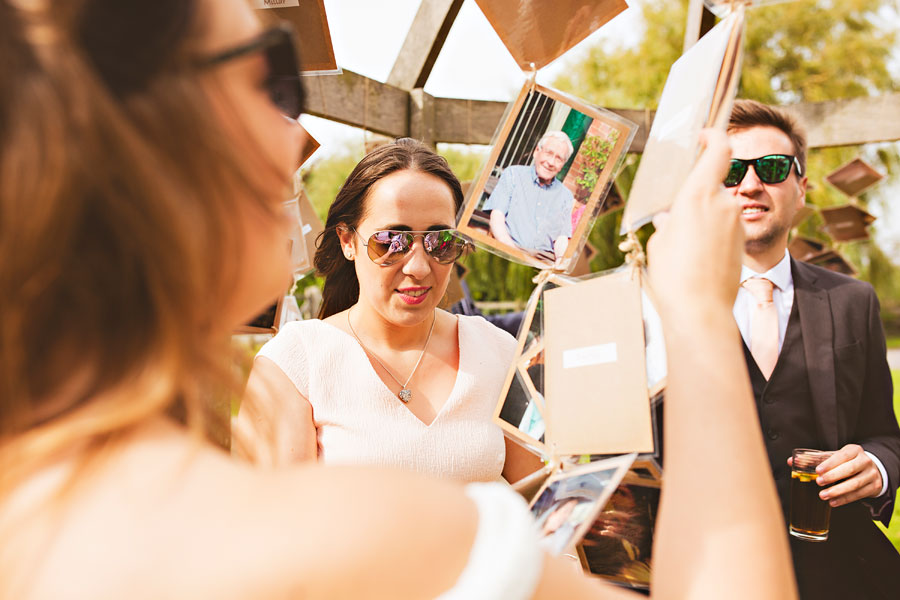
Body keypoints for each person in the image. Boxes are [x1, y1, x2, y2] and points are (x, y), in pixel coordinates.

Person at [0, 0, 797, 595]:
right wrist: (695, 315)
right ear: (145, 138)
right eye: (266, 73)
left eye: (440, 241)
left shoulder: (33, 514)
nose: (291, 133)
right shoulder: (373, 522)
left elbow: (546, 477)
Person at [233, 138, 542, 483]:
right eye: (392, 241)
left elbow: (543, 506)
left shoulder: (499, 352)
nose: (420, 267)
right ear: (348, 241)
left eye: (440, 241)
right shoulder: (295, 362)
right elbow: (272, 522)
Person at [725, 99, 900, 599]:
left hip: (838, 571)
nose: (751, 184)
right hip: (711, 572)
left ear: (802, 189)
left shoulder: (852, 301)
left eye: (773, 168)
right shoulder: (661, 305)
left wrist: (877, 466)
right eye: (732, 171)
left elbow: (886, 436)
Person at [484, 131, 576, 264]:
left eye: (559, 158)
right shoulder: (513, 174)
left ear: (563, 164)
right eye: (548, 153)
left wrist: (560, 262)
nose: (551, 162)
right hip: (510, 251)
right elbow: (496, 219)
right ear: (536, 151)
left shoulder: (566, 196)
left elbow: (561, 238)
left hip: (545, 261)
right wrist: (513, 253)